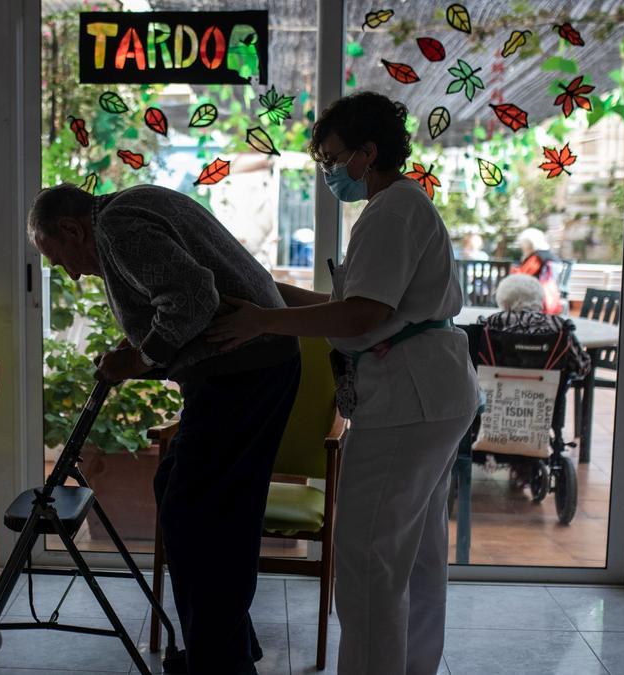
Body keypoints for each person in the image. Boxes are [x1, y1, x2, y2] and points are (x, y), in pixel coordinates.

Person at [205, 91, 479, 675]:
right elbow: (348, 305)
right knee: (416, 557)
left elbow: (361, 317)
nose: (329, 171)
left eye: (332, 158)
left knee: (369, 560)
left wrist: (263, 320)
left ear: (368, 153)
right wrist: (265, 293)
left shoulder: (393, 211)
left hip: (409, 401)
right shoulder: (399, 206)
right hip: (431, 394)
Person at [27, 183, 300, 675]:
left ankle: (220, 662)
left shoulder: (117, 227)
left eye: (59, 256)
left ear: (72, 228)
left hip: (242, 373)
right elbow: (176, 299)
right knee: (182, 494)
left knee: (205, 519)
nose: (69, 272)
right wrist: (137, 350)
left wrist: (139, 355)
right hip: (246, 369)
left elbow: (192, 296)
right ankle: (225, 649)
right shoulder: (131, 207)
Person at [486, 274, 590, 377]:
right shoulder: (558, 325)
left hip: (496, 390)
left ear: (502, 296)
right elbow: (582, 367)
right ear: (540, 296)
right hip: (549, 392)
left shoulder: (491, 323)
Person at [512, 227, 564, 314]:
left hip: (534, 298)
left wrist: (514, 271)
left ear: (530, 244)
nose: (522, 247)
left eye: (524, 244)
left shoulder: (536, 257)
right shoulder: (548, 255)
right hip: (551, 294)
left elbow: (522, 277)